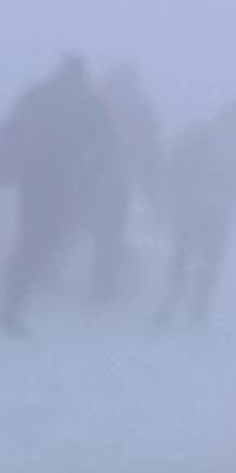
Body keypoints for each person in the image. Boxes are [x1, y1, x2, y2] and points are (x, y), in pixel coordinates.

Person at [0, 56, 113, 333]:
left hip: (32, 178)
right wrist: (91, 185)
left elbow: (11, 130)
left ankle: (11, 300)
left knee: (29, 239)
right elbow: (103, 145)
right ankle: (13, 302)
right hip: (65, 183)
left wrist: (5, 169)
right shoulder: (89, 103)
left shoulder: (37, 94)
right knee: (44, 242)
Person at [156, 102, 236, 326]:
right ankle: (199, 311)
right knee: (209, 263)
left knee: (182, 257)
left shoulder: (199, 133)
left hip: (191, 207)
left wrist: (179, 191)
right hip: (221, 213)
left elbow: (175, 162)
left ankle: (170, 303)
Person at [88, 64, 164, 303]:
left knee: (75, 228)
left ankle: (51, 274)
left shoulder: (93, 100)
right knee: (109, 234)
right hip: (117, 179)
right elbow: (150, 149)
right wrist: (153, 185)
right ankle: (104, 284)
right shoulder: (140, 109)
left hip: (84, 177)